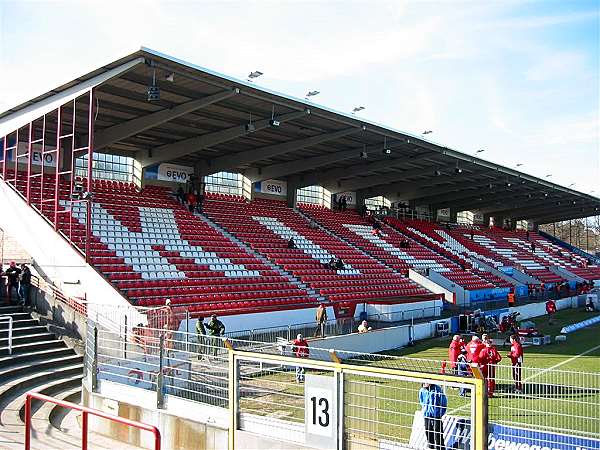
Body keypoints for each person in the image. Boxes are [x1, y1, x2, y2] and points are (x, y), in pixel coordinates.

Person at [418, 383, 447, 450]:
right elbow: (421, 400)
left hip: (436, 414)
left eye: (427, 382)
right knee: (428, 430)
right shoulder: (422, 390)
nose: (426, 384)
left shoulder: (437, 389)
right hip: (427, 414)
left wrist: (440, 412)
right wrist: (424, 408)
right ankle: (431, 446)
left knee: (438, 431)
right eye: (424, 382)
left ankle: (440, 447)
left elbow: (443, 401)